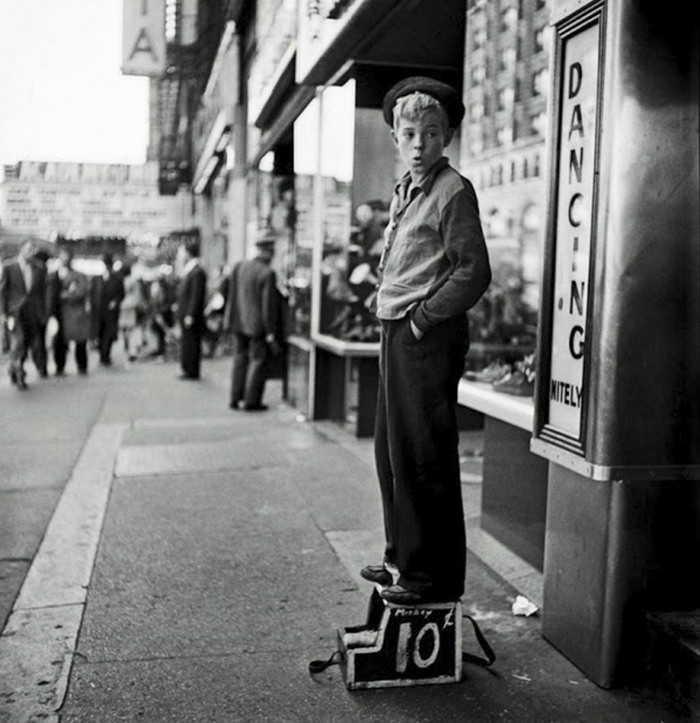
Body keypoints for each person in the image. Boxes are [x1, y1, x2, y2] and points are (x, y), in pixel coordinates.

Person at [360, 77, 492, 606]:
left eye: (432, 133)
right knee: (391, 451)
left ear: (447, 137)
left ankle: (430, 577)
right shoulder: (406, 191)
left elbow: (473, 271)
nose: (420, 143)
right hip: (399, 332)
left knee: (423, 456)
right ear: (395, 135)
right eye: (410, 133)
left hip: (425, 337)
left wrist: (421, 319)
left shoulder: (452, 190)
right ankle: (401, 557)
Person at [223, 229, 281, 411]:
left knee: (239, 359)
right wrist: (271, 332)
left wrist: (229, 319)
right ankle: (251, 400)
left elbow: (230, 295)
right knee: (257, 361)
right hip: (257, 326)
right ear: (269, 252)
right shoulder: (267, 273)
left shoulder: (240, 266)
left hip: (238, 321)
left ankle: (235, 397)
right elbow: (268, 307)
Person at [0, 239, 48, 388]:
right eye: (29, 248)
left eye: (33, 249)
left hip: (33, 313)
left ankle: (13, 367)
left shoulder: (40, 268)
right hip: (15, 313)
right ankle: (20, 374)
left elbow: (43, 293)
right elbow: (3, 291)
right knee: (18, 342)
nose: (31, 252)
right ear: (21, 249)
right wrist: (3, 313)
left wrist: (44, 313)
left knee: (32, 343)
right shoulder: (9, 266)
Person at [48, 247, 91, 375]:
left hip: (75, 313)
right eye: (62, 257)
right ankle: (59, 368)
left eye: (67, 257)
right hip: (59, 314)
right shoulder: (52, 275)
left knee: (80, 341)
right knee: (59, 342)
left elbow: (81, 291)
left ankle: (82, 367)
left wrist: (66, 295)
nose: (64, 259)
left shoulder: (78, 275)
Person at [176, 237, 207, 379]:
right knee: (187, 341)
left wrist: (190, 313)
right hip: (186, 313)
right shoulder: (190, 270)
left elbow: (196, 295)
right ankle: (187, 368)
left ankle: (191, 370)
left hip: (190, 315)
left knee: (191, 342)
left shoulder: (197, 272)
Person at [89, 252, 125, 366]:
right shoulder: (96, 279)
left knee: (108, 334)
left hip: (110, 312)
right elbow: (91, 294)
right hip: (98, 311)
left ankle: (105, 355)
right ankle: (102, 354)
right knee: (99, 333)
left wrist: (115, 302)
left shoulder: (117, 279)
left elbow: (121, 294)